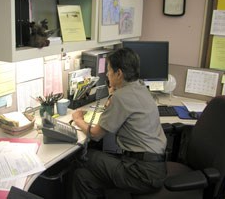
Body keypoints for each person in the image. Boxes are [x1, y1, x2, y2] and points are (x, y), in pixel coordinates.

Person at [71, 47, 167, 199]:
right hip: (155, 168)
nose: (107, 75)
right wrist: (113, 94)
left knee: (83, 156)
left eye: (109, 71)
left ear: (119, 73)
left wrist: (78, 120)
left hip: (140, 174)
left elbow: (95, 135)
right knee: (82, 176)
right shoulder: (141, 87)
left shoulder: (121, 97)